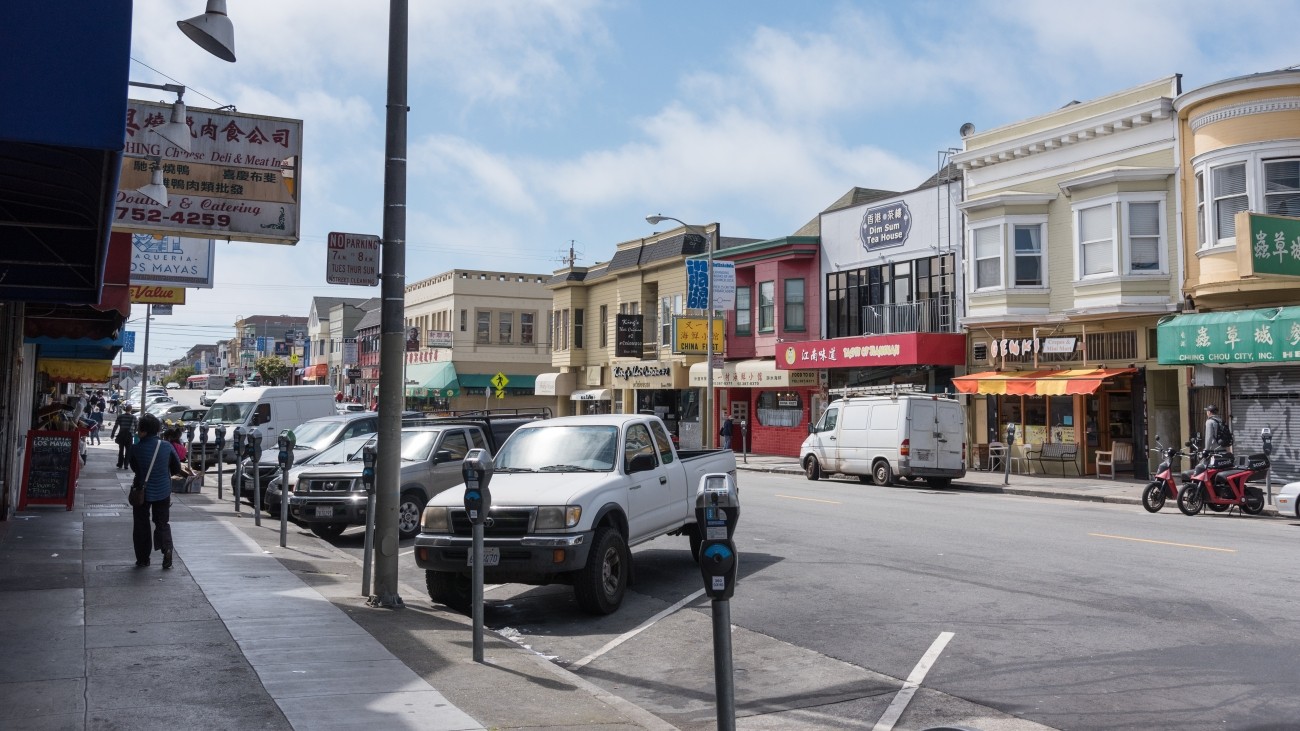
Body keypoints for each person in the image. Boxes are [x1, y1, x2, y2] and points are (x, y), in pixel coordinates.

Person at [129, 413, 183, 569]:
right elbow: (177, 467)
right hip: (163, 490)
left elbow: (134, 468)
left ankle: (143, 559)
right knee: (162, 522)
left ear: (143, 430)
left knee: (141, 524)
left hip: (141, 491)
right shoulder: (166, 446)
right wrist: (163, 475)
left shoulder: (136, 448)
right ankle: (167, 549)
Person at [110, 404, 138, 469]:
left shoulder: (120, 416)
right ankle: (126, 464)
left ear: (125, 409)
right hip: (129, 435)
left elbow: (116, 426)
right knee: (128, 450)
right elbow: (136, 426)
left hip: (121, 435)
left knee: (121, 450)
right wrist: (133, 432)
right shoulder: (133, 417)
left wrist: (112, 434)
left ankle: (120, 464)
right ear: (131, 409)